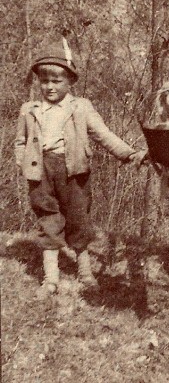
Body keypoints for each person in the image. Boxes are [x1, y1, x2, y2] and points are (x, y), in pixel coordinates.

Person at [15, 41, 147, 297]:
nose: (50, 87)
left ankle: (85, 273)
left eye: (57, 81)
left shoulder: (80, 107)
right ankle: (50, 278)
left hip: (74, 172)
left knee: (78, 220)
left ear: (70, 82)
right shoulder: (29, 110)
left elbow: (103, 134)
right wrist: (24, 163)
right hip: (40, 172)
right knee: (48, 219)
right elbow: (20, 141)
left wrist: (129, 154)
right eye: (44, 81)